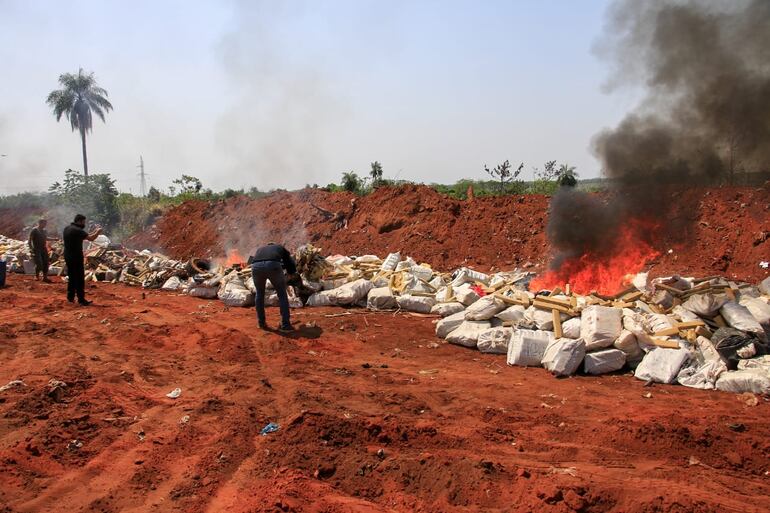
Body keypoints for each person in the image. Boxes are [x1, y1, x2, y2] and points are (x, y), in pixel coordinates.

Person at [249, 242, 298, 332]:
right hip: (272, 265)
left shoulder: (260, 249)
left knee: (259, 293)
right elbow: (289, 261)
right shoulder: (279, 248)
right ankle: (285, 325)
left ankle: (261, 323)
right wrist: (292, 272)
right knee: (282, 294)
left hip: (255, 267)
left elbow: (252, 260)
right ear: (274, 245)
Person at [63, 214, 102, 305]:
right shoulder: (78, 230)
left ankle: (70, 297)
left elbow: (87, 236)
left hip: (68, 255)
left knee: (72, 277)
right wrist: (98, 231)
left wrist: (95, 231)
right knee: (80, 278)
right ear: (79, 221)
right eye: (83, 222)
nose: (84, 224)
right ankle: (81, 299)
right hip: (76, 256)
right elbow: (91, 238)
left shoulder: (67, 228)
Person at [28, 218, 56, 283]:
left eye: (45, 224)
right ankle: (36, 276)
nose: (45, 225)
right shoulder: (34, 230)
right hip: (36, 249)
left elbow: (46, 238)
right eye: (44, 223)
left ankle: (45, 277)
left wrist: (54, 239)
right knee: (39, 263)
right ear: (40, 223)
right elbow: (30, 240)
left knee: (46, 262)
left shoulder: (44, 231)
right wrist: (31, 249)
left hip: (43, 248)